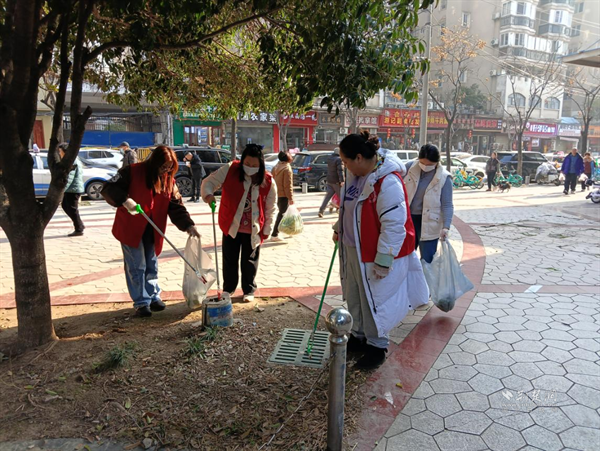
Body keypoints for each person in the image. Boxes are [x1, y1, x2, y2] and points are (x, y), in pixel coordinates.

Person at [333, 131, 429, 370]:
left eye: (345, 161)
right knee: (355, 295)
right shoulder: (355, 176)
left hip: (373, 254)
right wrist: (339, 228)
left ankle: (377, 346)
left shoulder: (388, 182)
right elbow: (349, 208)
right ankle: (358, 334)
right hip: (353, 248)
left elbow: (394, 225)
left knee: (374, 299)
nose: (344, 166)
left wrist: (384, 260)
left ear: (358, 158)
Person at [101, 145, 200, 317]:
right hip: (130, 227)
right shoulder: (132, 171)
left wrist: (188, 225)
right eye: (163, 166)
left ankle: (153, 295)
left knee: (151, 263)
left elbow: (176, 205)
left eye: (169, 167)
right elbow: (108, 188)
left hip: (153, 228)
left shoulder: (169, 181)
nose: (166, 170)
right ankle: (141, 301)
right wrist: (125, 200)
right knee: (136, 265)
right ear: (155, 163)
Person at [201, 144, 277, 303]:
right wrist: (208, 196)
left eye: (254, 165)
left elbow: (271, 208)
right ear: (242, 161)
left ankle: (249, 290)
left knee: (250, 261)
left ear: (261, 165)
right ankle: (228, 289)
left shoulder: (268, 181)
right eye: (247, 164)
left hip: (254, 228)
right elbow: (208, 182)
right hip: (231, 225)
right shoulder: (231, 169)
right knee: (229, 259)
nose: (250, 168)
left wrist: (267, 230)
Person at [404, 144, 454, 264]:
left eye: (430, 164)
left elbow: (447, 204)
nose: (425, 167)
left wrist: (446, 227)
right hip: (408, 219)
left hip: (429, 222)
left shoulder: (444, 177)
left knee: (427, 260)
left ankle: (426, 277)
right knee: (406, 257)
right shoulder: (409, 168)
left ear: (437, 162)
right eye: (422, 163)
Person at [58, 143, 85, 237]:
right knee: (66, 206)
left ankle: (79, 228)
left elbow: (69, 178)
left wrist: (61, 190)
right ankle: (79, 225)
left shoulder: (72, 161)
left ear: (65, 152)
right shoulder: (72, 160)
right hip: (71, 189)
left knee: (72, 209)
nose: (59, 153)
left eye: (60, 151)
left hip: (74, 189)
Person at [270, 151, 294, 241]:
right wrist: (290, 198)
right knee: (282, 214)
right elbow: (287, 185)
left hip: (276, 193)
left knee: (285, 213)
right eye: (290, 155)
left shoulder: (276, 166)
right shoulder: (287, 169)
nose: (291, 156)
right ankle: (274, 234)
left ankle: (289, 231)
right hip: (284, 195)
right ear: (287, 158)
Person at [318, 147, 344, 218]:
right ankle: (343, 213)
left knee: (327, 197)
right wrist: (342, 181)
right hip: (336, 181)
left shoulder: (330, 158)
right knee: (342, 198)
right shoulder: (339, 159)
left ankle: (321, 211)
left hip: (330, 180)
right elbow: (340, 171)